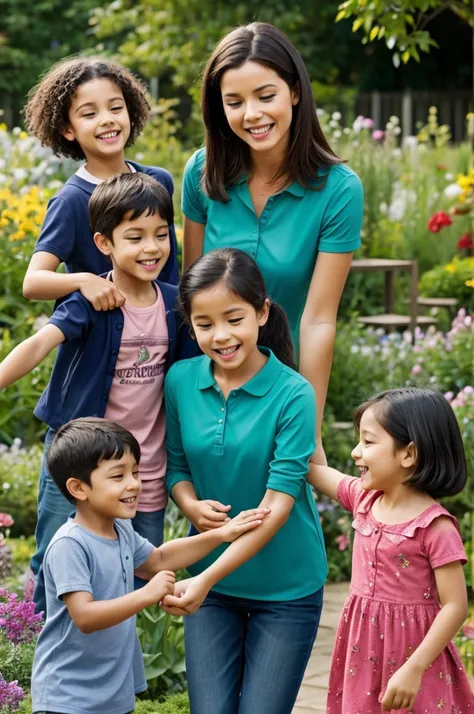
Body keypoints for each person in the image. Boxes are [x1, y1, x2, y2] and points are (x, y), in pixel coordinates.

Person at [0, 172, 192, 613]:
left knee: (134, 569)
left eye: (161, 235)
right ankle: (48, 657)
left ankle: (115, 670)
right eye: (135, 237)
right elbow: (38, 345)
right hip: (80, 459)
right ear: (104, 243)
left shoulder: (174, 303)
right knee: (56, 555)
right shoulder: (90, 301)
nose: (151, 248)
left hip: (144, 466)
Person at [181, 22, 364, 465]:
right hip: (211, 388)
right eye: (234, 102)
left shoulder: (338, 190)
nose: (252, 114)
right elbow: (192, 297)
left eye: (266, 96)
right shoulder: (203, 173)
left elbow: (318, 319)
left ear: (295, 92)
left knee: (283, 517)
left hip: (283, 388)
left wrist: (310, 427)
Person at [162, 248, 326, 714]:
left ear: (261, 312)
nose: (221, 336)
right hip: (211, 588)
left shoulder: (294, 394)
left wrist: (205, 578)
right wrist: (190, 504)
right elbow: (177, 465)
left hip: (285, 588)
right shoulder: (180, 380)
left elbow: (278, 505)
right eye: (205, 324)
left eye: (234, 319)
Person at [31, 417, 270, 714]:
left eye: (135, 472)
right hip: (67, 698)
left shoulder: (120, 530)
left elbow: (159, 559)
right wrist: (146, 595)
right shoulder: (71, 544)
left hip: (112, 698)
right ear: (79, 488)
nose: (134, 483)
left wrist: (221, 535)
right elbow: (85, 616)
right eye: (118, 476)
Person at [307, 388, 474, 713]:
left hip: (415, 655)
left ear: (408, 454)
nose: (357, 452)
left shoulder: (434, 527)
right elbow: (314, 470)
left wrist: (414, 668)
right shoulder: (364, 500)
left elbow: (455, 606)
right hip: (362, 647)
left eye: (368, 442)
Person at [23, 56, 179, 308]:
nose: (107, 119)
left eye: (116, 108)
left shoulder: (158, 180)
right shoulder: (71, 201)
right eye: (89, 113)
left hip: (163, 335)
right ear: (67, 129)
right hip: (101, 341)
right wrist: (85, 281)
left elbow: (170, 269)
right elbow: (33, 282)